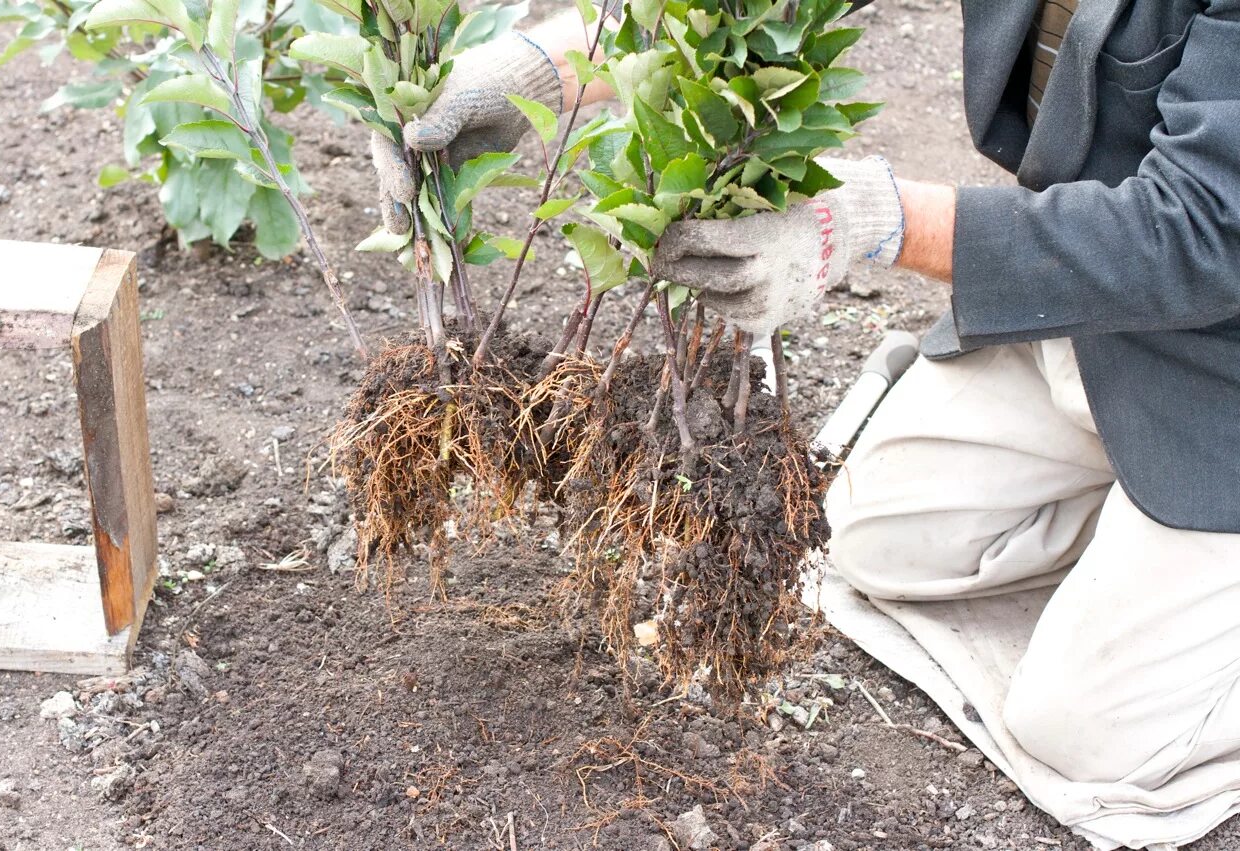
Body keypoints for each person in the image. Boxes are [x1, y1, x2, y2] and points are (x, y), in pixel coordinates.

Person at [372, 1, 1240, 843]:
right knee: (875, 542)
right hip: (1099, 315)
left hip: (1221, 357)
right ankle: (1144, 545)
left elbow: (1208, 226)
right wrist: (540, 68)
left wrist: (876, 218)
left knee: (1092, 741)